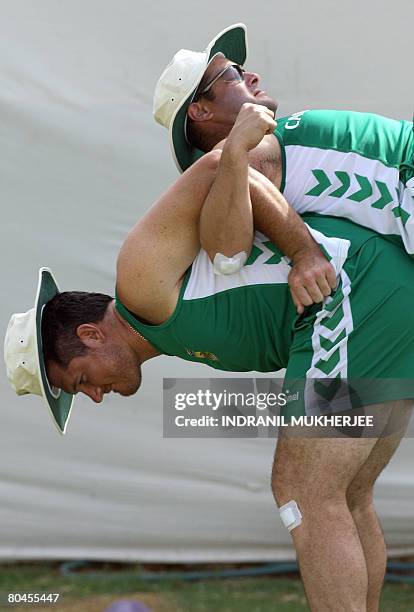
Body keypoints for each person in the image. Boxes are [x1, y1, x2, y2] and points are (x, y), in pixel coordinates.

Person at [4, 107, 414, 611]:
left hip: (356, 296)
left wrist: (303, 252)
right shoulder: (169, 329)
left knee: (303, 490)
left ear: (89, 334)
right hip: (383, 301)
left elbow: (219, 164)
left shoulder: (137, 279)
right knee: (346, 495)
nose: (93, 395)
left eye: (79, 382)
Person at [153, 23, 414, 315]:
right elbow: (227, 257)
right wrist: (235, 149)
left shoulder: (248, 154)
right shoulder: (235, 157)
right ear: (200, 110)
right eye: (233, 74)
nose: (252, 76)